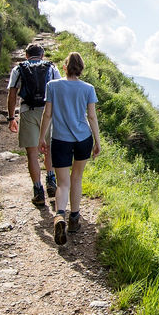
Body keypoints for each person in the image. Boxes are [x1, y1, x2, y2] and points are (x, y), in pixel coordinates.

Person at [38, 52, 101, 246]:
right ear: (81, 68)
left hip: (60, 139)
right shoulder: (88, 88)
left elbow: (47, 114)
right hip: (83, 138)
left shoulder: (53, 86)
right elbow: (91, 117)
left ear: (65, 67)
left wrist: (41, 137)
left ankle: (59, 216)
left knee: (63, 183)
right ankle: (74, 218)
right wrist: (97, 141)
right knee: (77, 178)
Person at [7, 44, 60, 206]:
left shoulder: (18, 69)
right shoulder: (51, 68)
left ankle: (38, 191)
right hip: (48, 112)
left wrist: (11, 118)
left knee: (32, 153)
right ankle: (51, 180)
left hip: (28, 111)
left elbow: (12, 94)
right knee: (49, 148)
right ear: (42, 55)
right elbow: (59, 90)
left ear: (26, 55)